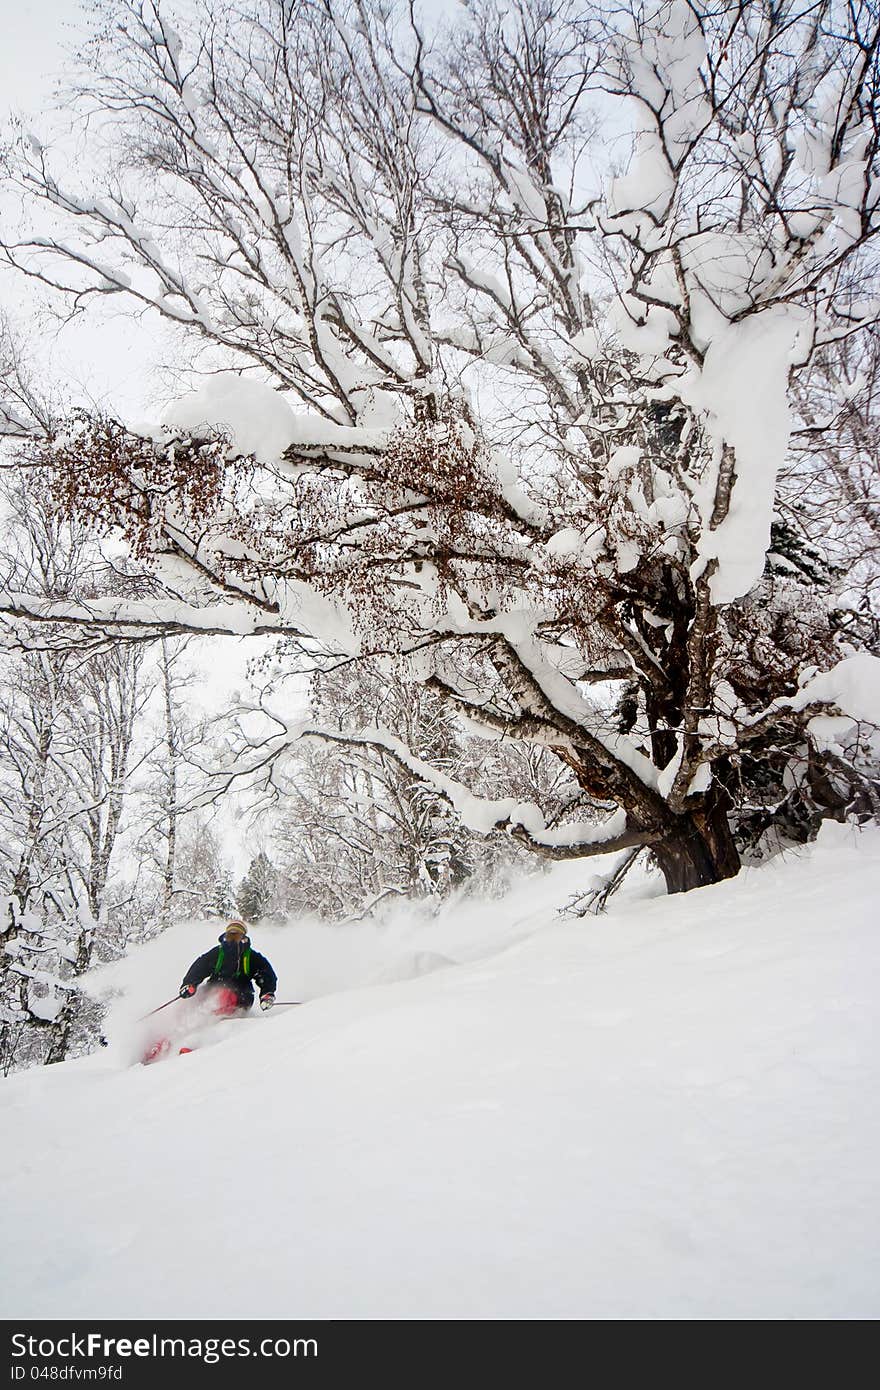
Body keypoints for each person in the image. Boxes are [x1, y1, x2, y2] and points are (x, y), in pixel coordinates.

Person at [179, 919, 277, 1016]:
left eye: (237, 936)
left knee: (224, 994)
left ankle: (212, 1021)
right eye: (230, 936)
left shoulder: (251, 957)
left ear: (243, 937)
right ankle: (177, 1024)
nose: (233, 939)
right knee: (195, 998)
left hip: (241, 995)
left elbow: (266, 974)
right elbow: (199, 967)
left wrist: (267, 994)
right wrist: (189, 984)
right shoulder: (217, 953)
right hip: (212, 989)